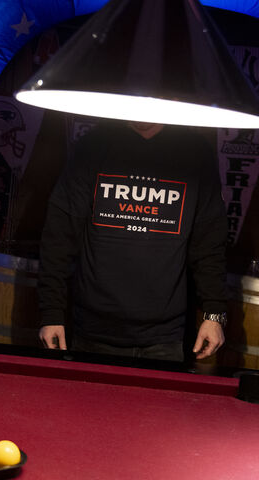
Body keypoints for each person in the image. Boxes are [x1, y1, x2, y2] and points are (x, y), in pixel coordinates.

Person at [38, 119, 228, 362]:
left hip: (165, 338)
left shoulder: (196, 152)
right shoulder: (94, 144)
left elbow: (209, 244)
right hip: (92, 333)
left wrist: (214, 314)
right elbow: (59, 237)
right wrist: (51, 313)